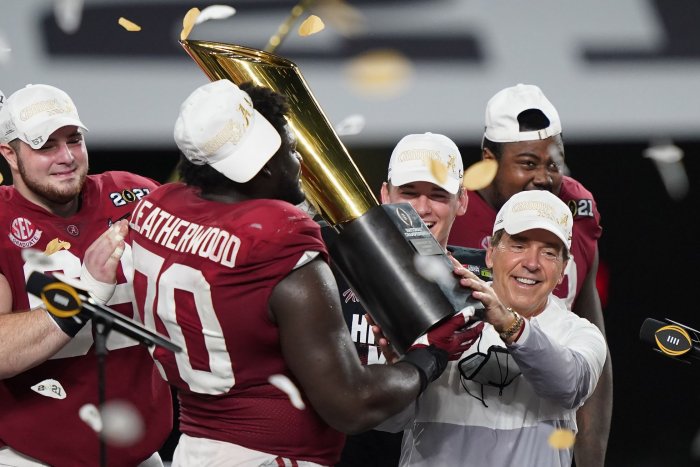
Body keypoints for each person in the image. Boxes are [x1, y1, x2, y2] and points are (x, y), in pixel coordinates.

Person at [128, 79, 483, 466]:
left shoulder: (156, 207)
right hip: (271, 456)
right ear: (262, 166)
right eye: (291, 149)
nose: (299, 163)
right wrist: (428, 355)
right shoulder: (278, 237)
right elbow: (352, 405)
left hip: (195, 449)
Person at [0, 84, 173, 466]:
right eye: (46, 146)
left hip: (142, 452)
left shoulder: (134, 194)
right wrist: (87, 294)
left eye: (74, 140)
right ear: (9, 154)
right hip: (33, 456)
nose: (66, 157)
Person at [376, 189, 607, 467]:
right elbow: (388, 424)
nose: (531, 263)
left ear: (563, 270)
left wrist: (508, 322)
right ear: (490, 254)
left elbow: (569, 385)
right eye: (518, 246)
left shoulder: (581, 333)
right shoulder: (437, 316)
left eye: (548, 253)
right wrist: (398, 372)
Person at [447, 83, 612, 466]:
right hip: (454, 409)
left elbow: (593, 339)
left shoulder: (574, 209)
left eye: (553, 163)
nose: (543, 177)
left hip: (546, 412)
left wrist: (590, 455)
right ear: (489, 159)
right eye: (527, 163)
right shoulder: (448, 209)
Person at [329, 132, 490, 466]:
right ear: (385, 194)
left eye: (437, 195)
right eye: (409, 193)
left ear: (462, 201)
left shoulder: (488, 280)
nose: (421, 208)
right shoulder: (337, 270)